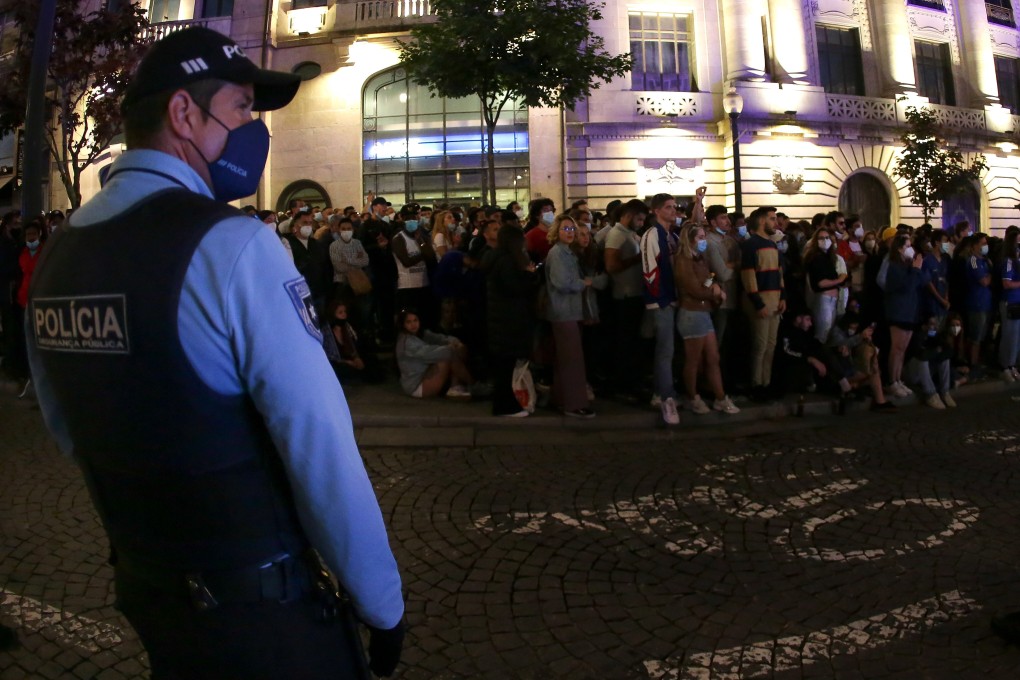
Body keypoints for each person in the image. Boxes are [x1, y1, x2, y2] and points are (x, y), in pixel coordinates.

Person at [25, 28, 404, 679]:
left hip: (151, 590)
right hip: (263, 611)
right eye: (239, 110)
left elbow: (70, 426)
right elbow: (317, 440)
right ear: (183, 114)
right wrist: (382, 602)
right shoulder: (232, 246)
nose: (253, 131)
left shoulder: (60, 255)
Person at [673, 223, 739, 415]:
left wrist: (713, 286)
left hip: (703, 312)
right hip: (692, 313)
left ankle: (720, 397)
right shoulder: (684, 260)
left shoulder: (698, 258)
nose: (703, 241)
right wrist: (713, 292)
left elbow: (707, 278)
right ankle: (693, 396)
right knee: (694, 360)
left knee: (712, 357)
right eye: (700, 237)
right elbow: (693, 289)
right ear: (690, 239)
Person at [545, 213, 595, 418]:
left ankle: (561, 398)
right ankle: (574, 404)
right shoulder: (558, 253)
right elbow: (561, 283)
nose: (570, 232)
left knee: (565, 359)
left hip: (568, 310)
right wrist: (583, 283)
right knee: (572, 359)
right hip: (563, 311)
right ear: (556, 232)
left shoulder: (566, 252)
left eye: (572, 229)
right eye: (565, 228)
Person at [486, 225, 538, 417]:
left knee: (503, 366)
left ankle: (504, 403)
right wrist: (530, 275)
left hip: (501, 319)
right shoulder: (507, 261)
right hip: (507, 320)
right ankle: (504, 406)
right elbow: (514, 289)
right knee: (505, 367)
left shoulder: (496, 257)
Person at [640, 193, 682, 424]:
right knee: (665, 349)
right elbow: (650, 271)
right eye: (668, 207)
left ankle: (663, 391)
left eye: (674, 207)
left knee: (668, 349)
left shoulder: (670, 235)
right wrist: (661, 299)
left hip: (670, 298)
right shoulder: (652, 235)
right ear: (656, 211)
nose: (673, 211)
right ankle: (666, 396)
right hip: (661, 301)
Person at [741, 206, 787, 400]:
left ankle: (766, 382)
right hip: (760, 300)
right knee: (760, 345)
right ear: (761, 221)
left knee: (771, 344)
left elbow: (779, 273)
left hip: (775, 300)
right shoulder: (751, 245)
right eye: (771, 219)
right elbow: (748, 275)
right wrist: (757, 302)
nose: (775, 223)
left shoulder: (773, 244)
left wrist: (783, 296)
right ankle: (756, 384)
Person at [394, 309, 474, 398]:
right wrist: (451, 347)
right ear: (403, 324)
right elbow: (428, 353)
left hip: (426, 374)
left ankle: (456, 386)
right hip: (416, 386)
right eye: (408, 322)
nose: (413, 324)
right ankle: (472, 384)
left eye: (415, 320)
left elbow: (438, 338)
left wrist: (455, 342)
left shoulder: (420, 333)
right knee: (449, 355)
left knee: (457, 350)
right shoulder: (407, 342)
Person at [883, 234, 924, 397]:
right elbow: (905, 286)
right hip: (898, 311)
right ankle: (892, 381)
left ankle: (898, 379)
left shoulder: (908, 265)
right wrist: (915, 270)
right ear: (899, 248)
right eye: (907, 246)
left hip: (910, 311)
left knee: (903, 349)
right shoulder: (894, 266)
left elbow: (920, 282)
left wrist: (917, 269)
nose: (910, 249)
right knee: (897, 347)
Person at [903, 315, 957, 408]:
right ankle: (930, 394)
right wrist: (936, 351)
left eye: (936, 324)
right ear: (924, 326)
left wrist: (939, 349)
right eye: (932, 324)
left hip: (925, 373)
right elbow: (921, 355)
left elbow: (947, 350)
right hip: (911, 373)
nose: (935, 327)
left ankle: (945, 392)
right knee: (922, 360)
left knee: (944, 359)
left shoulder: (931, 333)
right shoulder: (916, 335)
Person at [998, 228, 1020, 381]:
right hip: (1009, 301)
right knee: (1009, 334)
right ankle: (1004, 366)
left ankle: (1012, 365)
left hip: (1017, 301)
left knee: (1016, 336)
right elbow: (1007, 283)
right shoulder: (1008, 261)